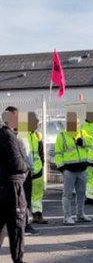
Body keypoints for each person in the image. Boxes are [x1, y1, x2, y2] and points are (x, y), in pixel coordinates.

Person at [0, 110, 28, 263]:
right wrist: (26, 167)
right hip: (12, 186)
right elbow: (17, 163)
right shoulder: (9, 136)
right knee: (17, 224)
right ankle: (18, 259)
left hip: (3, 184)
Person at [6, 107, 39, 236]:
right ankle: (25, 225)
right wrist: (30, 168)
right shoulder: (20, 136)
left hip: (18, 173)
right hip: (23, 174)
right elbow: (26, 155)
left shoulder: (17, 134)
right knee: (23, 201)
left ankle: (24, 224)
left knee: (20, 201)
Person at [55, 112, 92, 226]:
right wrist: (62, 168)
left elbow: (91, 141)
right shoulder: (61, 136)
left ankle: (80, 214)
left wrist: (82, 141)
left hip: (82, 168)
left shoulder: (82, 133)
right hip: (69, 170)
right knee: (68, 194)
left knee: (81, 193)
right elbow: (58, 153)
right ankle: (67, 216)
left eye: (76, 123)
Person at [26, 112, 48, 224]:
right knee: (25, 195)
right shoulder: (22, 135)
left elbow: (40, 153)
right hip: (26, 170)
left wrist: (42, 165)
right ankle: (24, 219)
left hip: (38, 169)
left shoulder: (37, 135)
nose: (37, 124)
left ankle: (37, 214)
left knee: (38, 194)